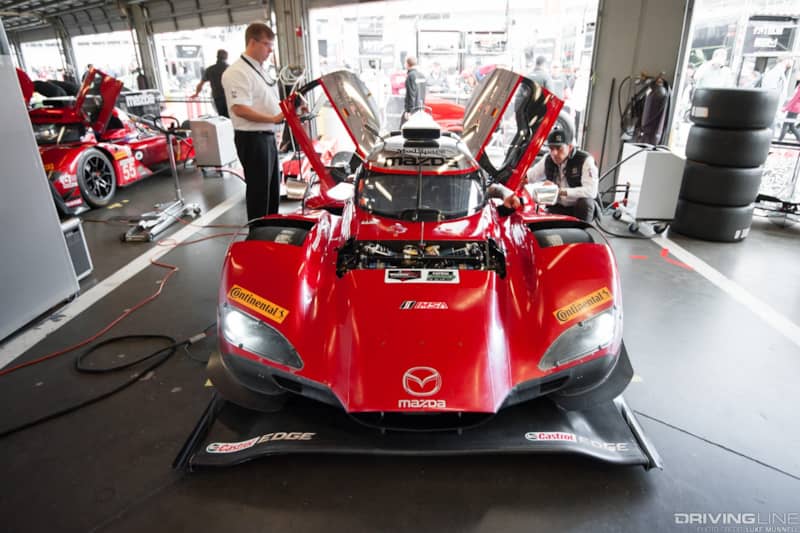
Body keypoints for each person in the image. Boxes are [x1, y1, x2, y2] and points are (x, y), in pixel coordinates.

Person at [221, 22, 284, 220]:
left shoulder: (260, 70)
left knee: (272, 190)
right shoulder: (237, 72)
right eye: (266, 44)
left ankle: (270, 232)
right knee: (259, 193)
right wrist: (273, 118)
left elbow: (266, 100)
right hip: (252, 139)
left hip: (267, 136)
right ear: (252, 42)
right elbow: (239, 108)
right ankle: (257, 236)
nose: (270, 50)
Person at [491, 128, 598, 222]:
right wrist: (514, 182)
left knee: (586, 203)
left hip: (577, 206)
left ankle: (584, 232)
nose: (554, 153)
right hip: (557, 203)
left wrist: (560, 191)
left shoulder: (585, 160)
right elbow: (530, 176)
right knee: (530, 196)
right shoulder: (548, 159)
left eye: (559, 148)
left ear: (569, 147)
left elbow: (591, 191)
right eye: (551, 148)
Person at [192, 49, 230, 118]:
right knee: (231, 117)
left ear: (217, 57)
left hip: (217, 97)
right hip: (230, 97)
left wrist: (196, 94)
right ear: (226, 57)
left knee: (222, 118)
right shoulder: (230, 69)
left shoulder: (210, 69)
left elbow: (201, 84)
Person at [402, 56, 426, 124]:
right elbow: (423, 93)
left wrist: (409, 111)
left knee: (404, 130)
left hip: (413, 111)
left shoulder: (410, 76)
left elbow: (411, 94)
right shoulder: (422, 76)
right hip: (421, 109)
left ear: (407, 64)